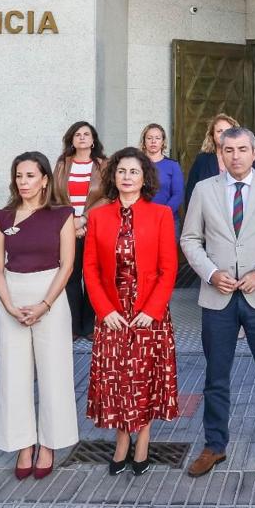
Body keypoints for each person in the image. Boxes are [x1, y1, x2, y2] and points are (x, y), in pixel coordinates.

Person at [181, 127, 255, 478]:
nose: (235, 156)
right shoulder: (204, 190)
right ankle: (214, 446)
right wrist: (211, 273)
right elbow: (189, 238)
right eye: (228, 149)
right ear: (221, 153)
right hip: (218, 297)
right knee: (216, 376)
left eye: (242, 149)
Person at [83, 148, 179, 475]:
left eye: (134, 172)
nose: (127, 177)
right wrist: (103, 308)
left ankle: (143, 441)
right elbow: (90, 269)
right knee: (117, 381)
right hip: (112, 313)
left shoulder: (161, 214)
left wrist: (153, 310)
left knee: (145, 379)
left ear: (144, 177)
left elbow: (169, 269)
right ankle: (122, 439)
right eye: (121, 171)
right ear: (113, 176)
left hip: (148, 313)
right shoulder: (98, 216)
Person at [0, 152, 79, 480]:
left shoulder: (62, 214)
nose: (23, 182)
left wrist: (45, 304)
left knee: (55, 372)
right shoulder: (3, 216)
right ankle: (23, 444)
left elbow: (68, 264)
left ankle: (50, 444)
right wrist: (9, 304)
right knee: (14, 375)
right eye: (18, 176)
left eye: (30, 176)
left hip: (49, 296)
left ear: (44, 180)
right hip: (12, 296)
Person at [53, 121, 107, 340]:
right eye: (78, 134)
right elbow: (55, 196)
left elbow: (109, 196)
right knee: (71, 277)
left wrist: (84, 219)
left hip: (95, 228)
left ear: (93, 140)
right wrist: (71, 223)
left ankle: (91, 326)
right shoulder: (62, 165)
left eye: (87, 134)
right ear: (71, 140)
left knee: (94, 276)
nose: (82, 137)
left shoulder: (104, 164)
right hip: (68, 229)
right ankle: (74, 326)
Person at [184, 113, 238, 211]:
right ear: (212, 135)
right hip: (209, 214)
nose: (223, 134)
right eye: (219, 131)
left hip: (238, 213)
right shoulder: (202, 160)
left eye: (228, 131)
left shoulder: (245, 157)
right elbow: (191, 192)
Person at [140, 123, 184, 227]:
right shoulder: (137, 164)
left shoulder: (172, 165)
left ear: (163, 141)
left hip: (168, 218)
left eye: (157, 138)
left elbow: (178, 194)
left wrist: (164, 213)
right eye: (149, 138)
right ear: (144, 141)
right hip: (141, 217)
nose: (153, 141)